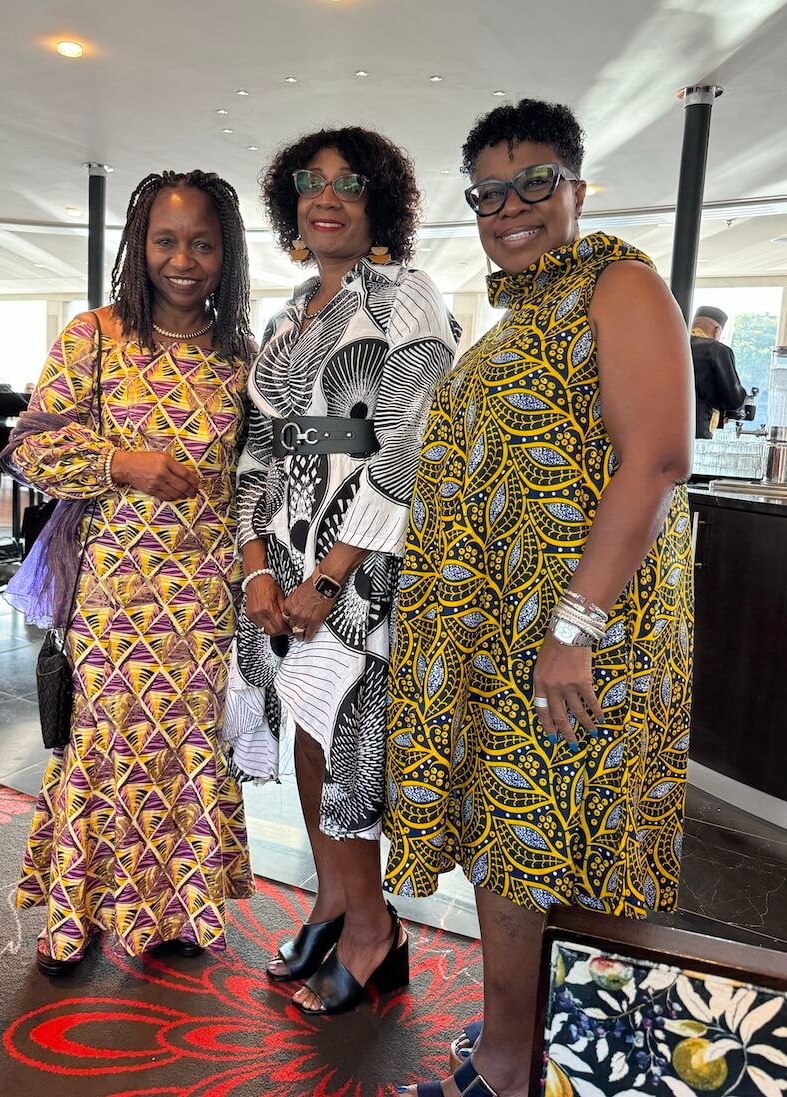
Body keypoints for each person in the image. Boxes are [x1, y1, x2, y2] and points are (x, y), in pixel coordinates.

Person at [384, 100, 694, 1097]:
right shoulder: (523, 310)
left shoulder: (622, 283)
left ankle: (536, 1064)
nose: (509, 206)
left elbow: (655, 460)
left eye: (534, 183)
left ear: (577, 189)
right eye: (487, 192)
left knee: (564, 848)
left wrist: (573, 627)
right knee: (513, 847)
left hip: (565, 639)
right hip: (494, 641)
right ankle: (516, 1049)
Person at [223, 127, 460, 1015]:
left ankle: (374, 930)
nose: (327, 196)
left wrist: (327, 577)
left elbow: (399, 449)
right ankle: (333, 904)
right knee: (309, 735)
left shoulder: (406, 298)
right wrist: (257, 571)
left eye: (348, 183)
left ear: (380, 201)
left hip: (352, 568)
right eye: (309, 182)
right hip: (278, 570)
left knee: (349, 741)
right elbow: (256, 453)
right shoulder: (286, 317)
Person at [2, 170, 256, 975]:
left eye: (203, 243)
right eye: (166, 240)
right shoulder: (97, 335)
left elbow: (253, 478)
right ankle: (73, 924)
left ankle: (176, 912)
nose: (183, 259)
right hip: (114, 589)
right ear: (139, 246)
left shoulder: (240, 359)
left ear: (229, 254)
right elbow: (30, 447)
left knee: (188, 750)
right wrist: (121, 462)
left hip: (206, 594)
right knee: (102, 747)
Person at [690, 305, 746, 438]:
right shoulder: (716, 350)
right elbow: (733, 400)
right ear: (717, 330)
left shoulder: (670, 345)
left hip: (656, 427)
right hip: (697, 429)